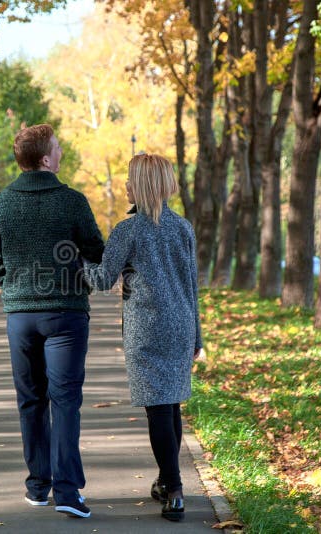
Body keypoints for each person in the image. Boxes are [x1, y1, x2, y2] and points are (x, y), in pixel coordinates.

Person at [0, 124, 105, 518]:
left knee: (31, 400)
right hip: (66, 314)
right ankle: (67, 494)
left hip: (20, 316)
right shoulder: (71, 201)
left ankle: (38, 487)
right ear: (46, 159)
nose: (62, 150)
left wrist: (11, 286)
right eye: (57, 147)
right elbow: (96, 250)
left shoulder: (1, 203)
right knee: (65, 401)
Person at [83, 153, 202, 522]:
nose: (125, 185)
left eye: (130, 180)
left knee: (158, 409)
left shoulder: (128, 230)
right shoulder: (183, 227)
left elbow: (102, 279)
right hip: (181, 326)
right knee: (171, 405)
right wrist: (198, 335)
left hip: (147, 329)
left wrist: (76, 264)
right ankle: (168, 484)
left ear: (143, 185)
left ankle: (175, 489)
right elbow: (192, 286)